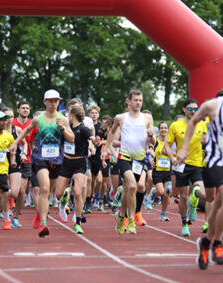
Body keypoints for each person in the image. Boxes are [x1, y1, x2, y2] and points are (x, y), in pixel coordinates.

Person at [177, 72, 223, 270]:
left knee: (222, 204)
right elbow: (192, 122)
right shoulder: (213, 106)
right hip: (216, 159)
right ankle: (217, 242)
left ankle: (206, 242)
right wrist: (184, 148)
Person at [10, 89, 74, 238]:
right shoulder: (38, 119)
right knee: (44, 189)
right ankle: (44, 224)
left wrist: (63, 128)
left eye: (56, 100)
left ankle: (40, 213)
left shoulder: (63, 119)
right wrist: (15, 143)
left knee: (55, 192)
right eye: (50, 100)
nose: (53, 103)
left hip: (58, 160)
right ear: (45, 102)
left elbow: (71, 139)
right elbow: (26, 131)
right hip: (41, 158)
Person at [102, 90, 155, 235]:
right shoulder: (120, 118)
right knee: (132, 186)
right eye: (136, 100)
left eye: (140, 100)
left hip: (139, 159)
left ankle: (121, 216)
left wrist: (151, 136)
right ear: (129, 102)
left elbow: (153, 141)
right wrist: (105, 150)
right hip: (124, 157)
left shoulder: (147, 118)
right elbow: (112, 134)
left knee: (128, 190)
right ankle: (130, 219)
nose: (138, 103)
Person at [164, 98, 207, 236]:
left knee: (202, 191)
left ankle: (194, 200)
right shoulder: (176, 126)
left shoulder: (202, 124)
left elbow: (209, 141)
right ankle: (184, 223)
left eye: (196, 109)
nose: (193, 111)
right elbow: (167, 146)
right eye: (190, 109)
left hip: (197, 164)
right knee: (182, 197)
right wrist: (172, 158)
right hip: (181, 165)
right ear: (184, 110)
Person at [55, 105, 95, 234]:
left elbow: (92, 138)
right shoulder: (66, 128)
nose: (67, 117)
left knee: (78, 192)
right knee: (58, 193)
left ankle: (77, 222)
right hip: (66, 162)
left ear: (72, 115)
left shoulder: (83, 128)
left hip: (79, 162)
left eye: (68, 114)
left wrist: (95, 142)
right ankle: (62, 202)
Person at [152, 121, 171, 221]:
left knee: (166, 193)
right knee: (161, 191)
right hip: (158, 170)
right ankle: (153, 193)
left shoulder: (171, 141)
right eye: (162, 128)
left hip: (168, 171)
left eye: (165, 128)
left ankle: (163, 214)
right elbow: (148, 150)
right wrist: (150, 160)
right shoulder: (155, 141)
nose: (164, 130)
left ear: (168, 130)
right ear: (158, 130)